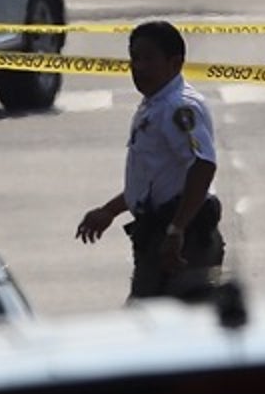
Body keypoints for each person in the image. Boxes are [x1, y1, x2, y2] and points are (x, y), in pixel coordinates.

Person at [76, 21, 224, 300]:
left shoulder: (178, 107)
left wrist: (176, 229)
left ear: (175, 63)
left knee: (163, 328)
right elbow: (156, 180)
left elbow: (204, 165)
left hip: (184, 240)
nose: (139, 67)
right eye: (134, 59)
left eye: (148, 59)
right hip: (158, 235)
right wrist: (109, 210)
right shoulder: (155, 105)